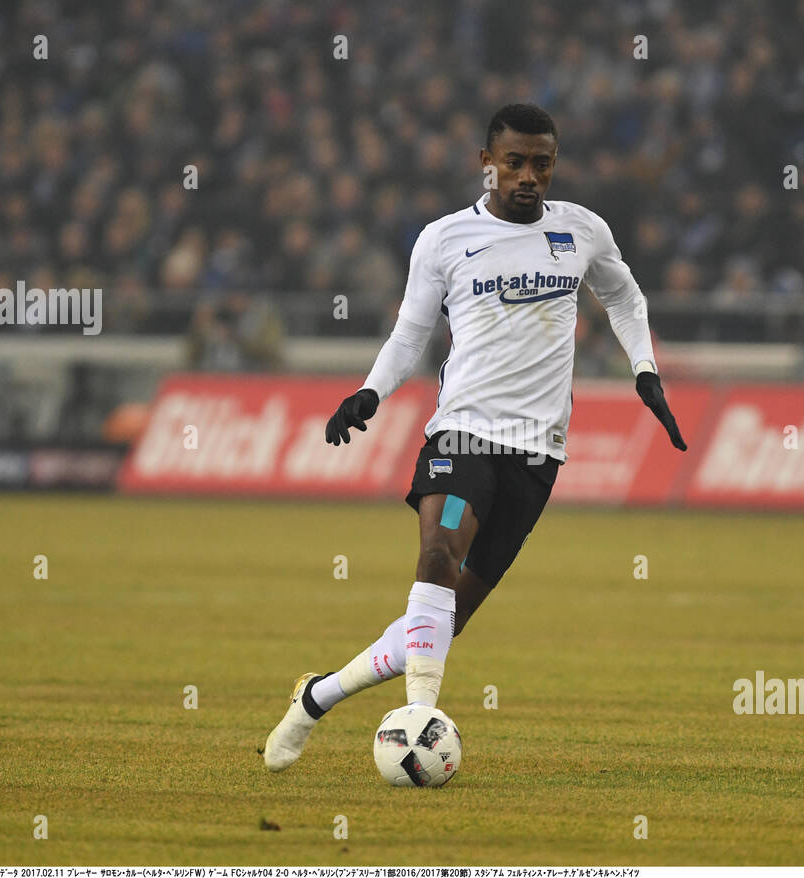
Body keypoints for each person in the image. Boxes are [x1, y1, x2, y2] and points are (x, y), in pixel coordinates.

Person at [263, 104, 686, 770]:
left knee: (443, 621)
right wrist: (370, 390)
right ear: (486, 163)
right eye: (513, 161)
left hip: (537, 452)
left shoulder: (582, 232)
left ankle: (317, 696)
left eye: (540, 163)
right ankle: (421, 718)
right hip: (463, 436)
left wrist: (645, 370)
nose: (527, 176)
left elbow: (626, 297)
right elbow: (410, 334)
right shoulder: (444, 239)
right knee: (437, 552)